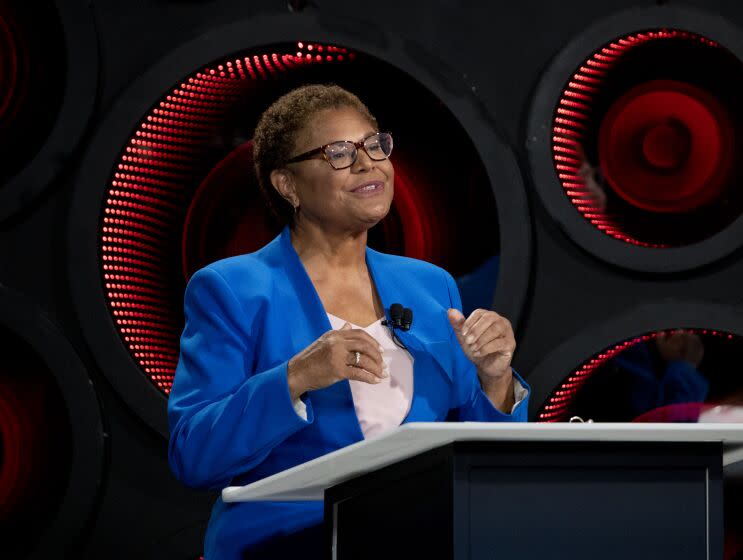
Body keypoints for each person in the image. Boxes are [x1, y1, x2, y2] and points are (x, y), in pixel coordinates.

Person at [167, 84, 530, 559]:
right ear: (287, 184)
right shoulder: (232, 288)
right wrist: (296, 378)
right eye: (338, 152)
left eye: (375, 144)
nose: (368, 163)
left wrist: (495, 378)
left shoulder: (430, 285)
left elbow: (476, 455)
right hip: (285, 546)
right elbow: (194, 455)